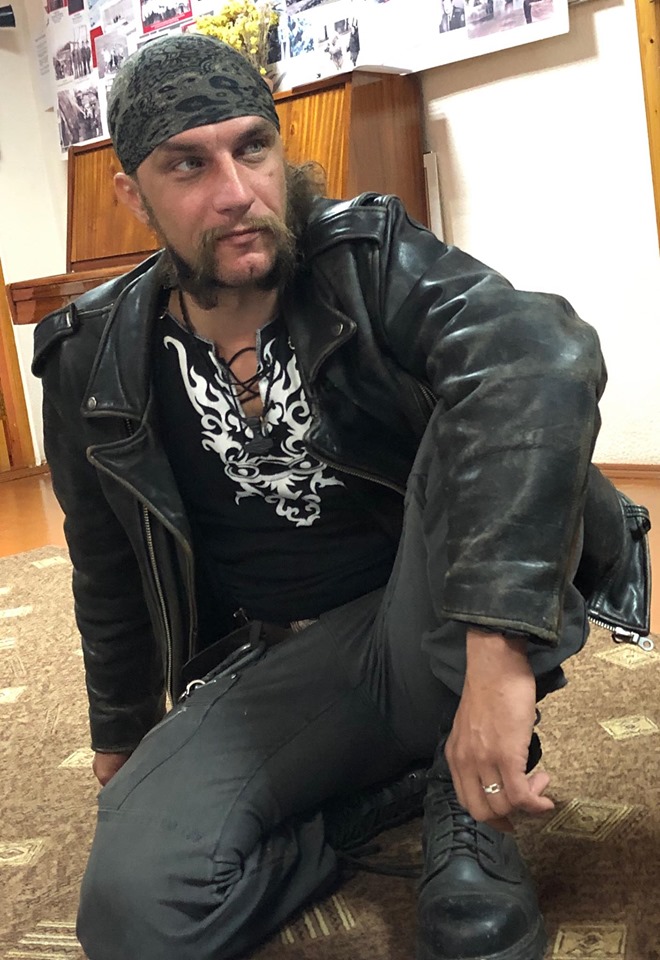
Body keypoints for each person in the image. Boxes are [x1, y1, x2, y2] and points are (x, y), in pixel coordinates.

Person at [33, 33, 651, 960]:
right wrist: (127, 748)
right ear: (132, 194)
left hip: (431, 614)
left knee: (487, 400)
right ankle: (372, 801)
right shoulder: (89, 354)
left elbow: (540, 358)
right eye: (187, 165)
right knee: (134, 913)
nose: (235, 192)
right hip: (278, 661)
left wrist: (496, 656)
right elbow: (107, 566)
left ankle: (467, 794)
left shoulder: (367, 259)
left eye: (252, 147)